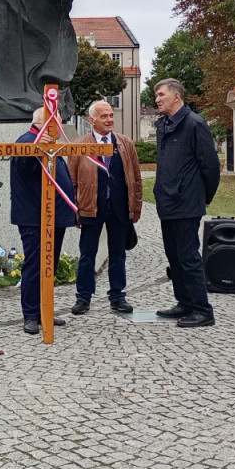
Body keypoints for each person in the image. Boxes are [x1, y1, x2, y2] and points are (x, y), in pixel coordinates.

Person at [153, 78, 221, 328]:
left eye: (161, 95)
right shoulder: (164, 125)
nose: (157, 99)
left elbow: (211, 166)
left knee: (189, 257)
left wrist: (205, 196)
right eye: (156, 95)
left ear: (176, 96)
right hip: (167, 202)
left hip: (186, 203)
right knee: (174, 256)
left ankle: (203, 310)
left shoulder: (194, 124)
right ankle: (184, 302)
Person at [68, 100, 142, 315]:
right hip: (91, 208)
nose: (109, 120)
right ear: (92, 120)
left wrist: (135, 208)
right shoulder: (79, 146)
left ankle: (118, 296)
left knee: (118, 254)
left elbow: (136, 179)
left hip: (119, 209)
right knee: (87, 255)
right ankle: (83, 297)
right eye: (104, 116)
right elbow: (71, 181)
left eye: (111, 115)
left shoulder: (125, 144)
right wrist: (75, 211)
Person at [10, 107, 73, 335]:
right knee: (36, 266)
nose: (62, 128)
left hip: (55, 216)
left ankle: (44, 309)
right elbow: (24, 167)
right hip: (35, 217)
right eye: (58, 123)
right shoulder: (26, 141)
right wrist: (38, 147)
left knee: (50, 266)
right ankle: (30, 314)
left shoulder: (51, 144)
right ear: (45, 125)